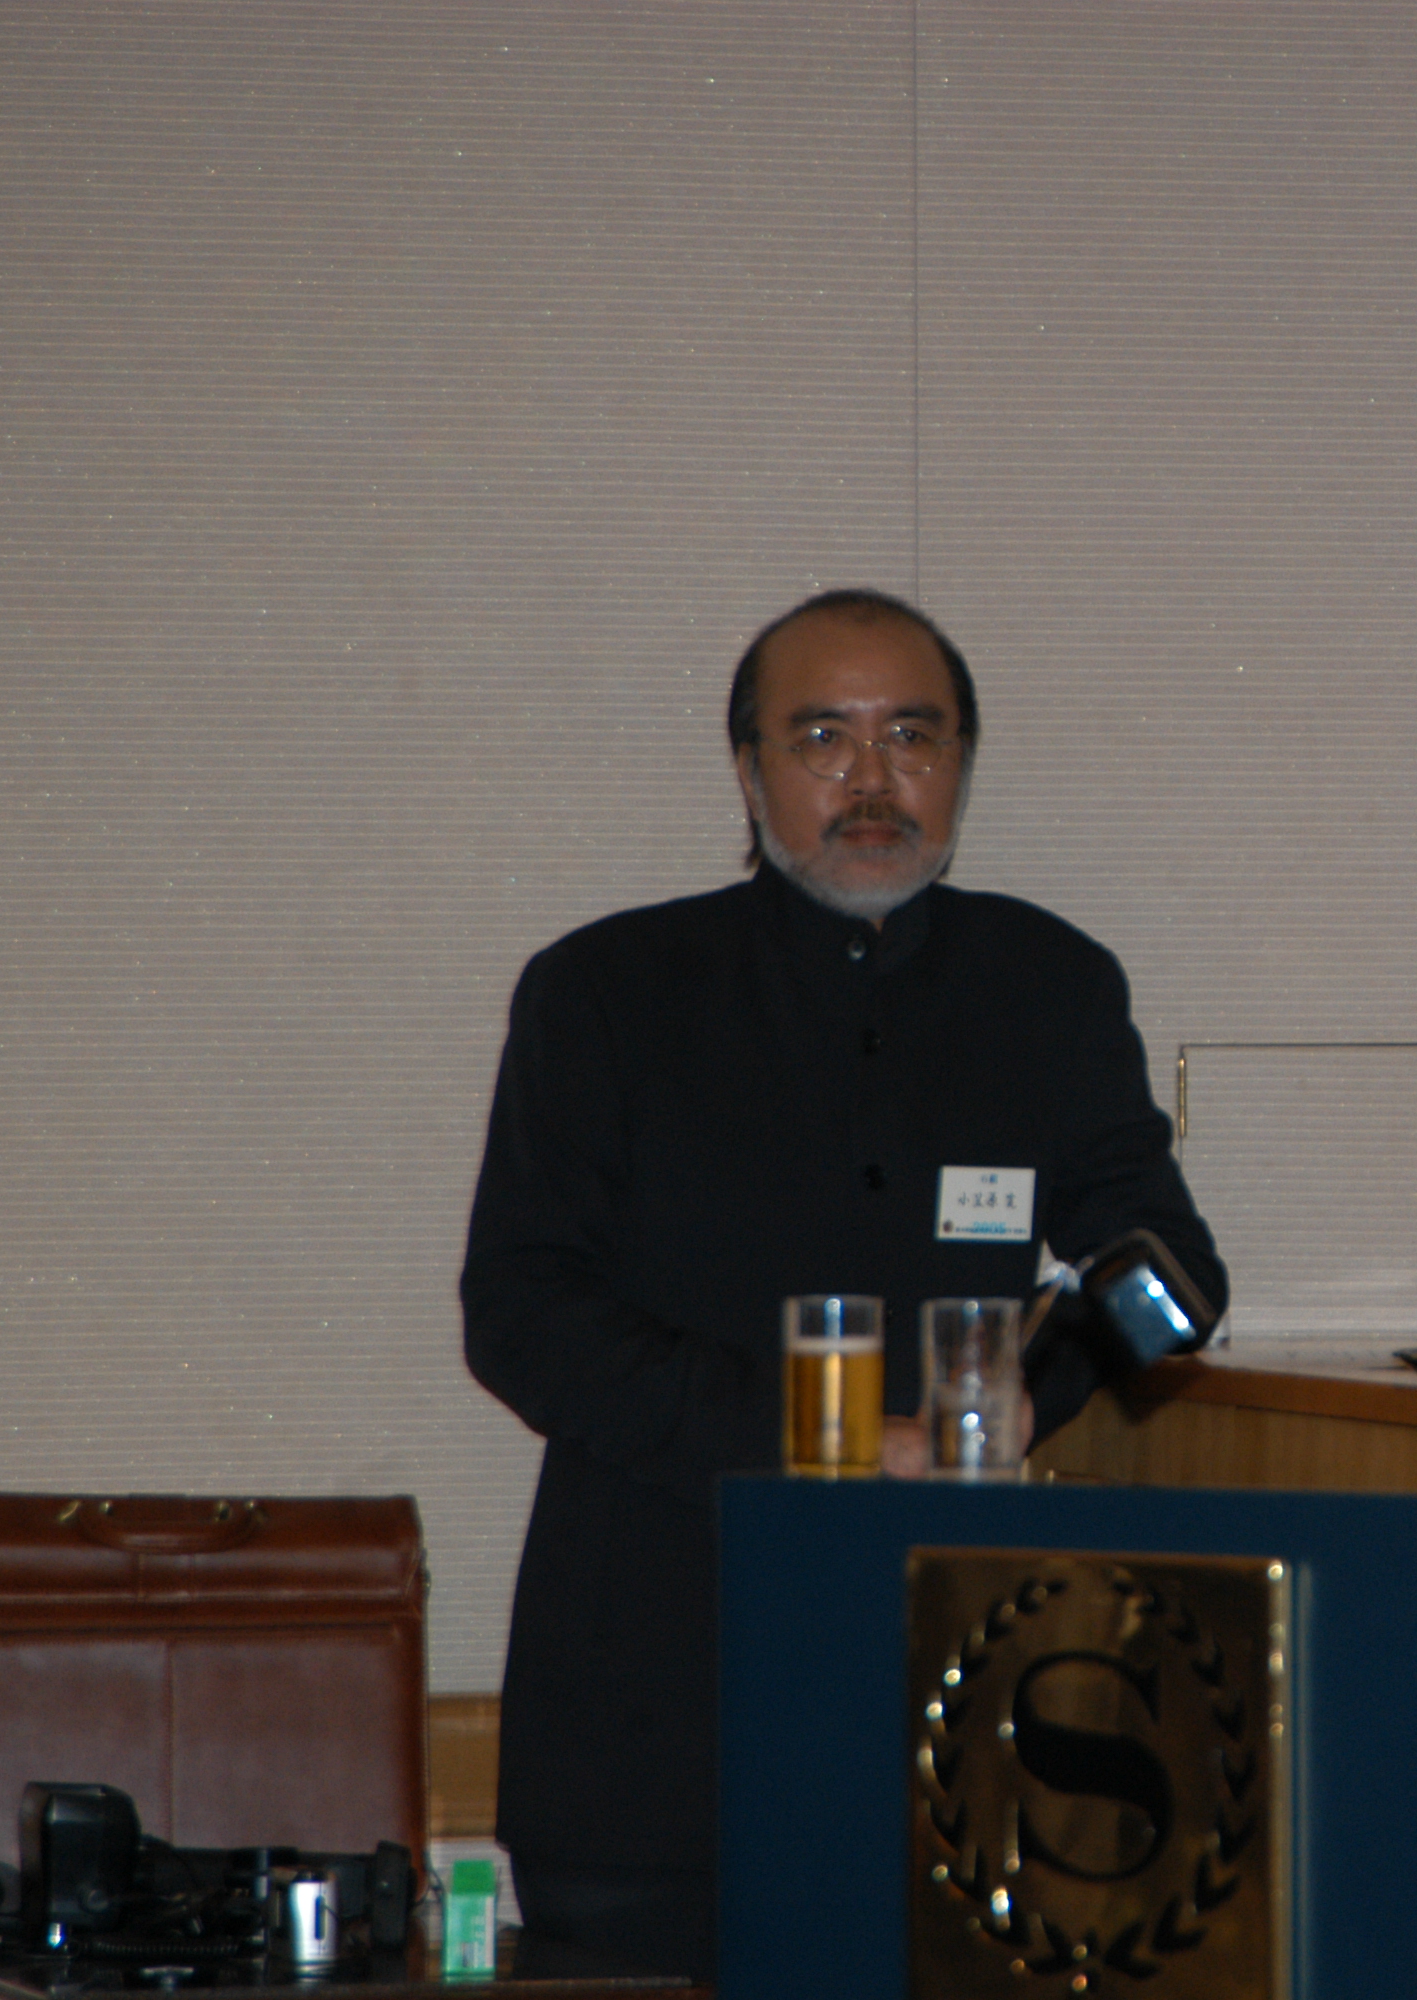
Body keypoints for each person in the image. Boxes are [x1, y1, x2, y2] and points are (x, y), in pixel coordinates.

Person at [460, 589, 1224, 1979]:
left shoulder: (1049, 988)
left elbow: (1169, 1277)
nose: (872, 781)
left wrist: (1020, 1399)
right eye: (822, 738)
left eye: (912, 738)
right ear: (749, 771)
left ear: (960, 764)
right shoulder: (606, 991)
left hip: (966, 1707)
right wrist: (837, 1439)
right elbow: (522, 1316)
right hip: (653, 1709)